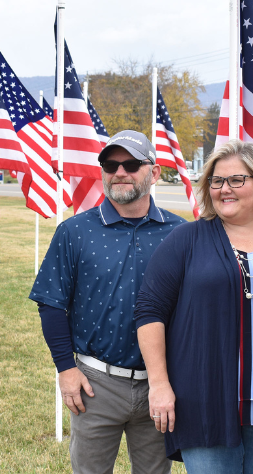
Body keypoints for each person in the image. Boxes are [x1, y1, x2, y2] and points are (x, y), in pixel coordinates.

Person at [134, 140, 253, 474]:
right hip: (203, 405)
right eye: (216, 181)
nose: (224, 189)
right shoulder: (185, 240)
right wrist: (159, 385)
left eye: (236, 180)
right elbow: (150, 311)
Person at [29, 130, 186, 474]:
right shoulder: (74, 231)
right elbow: (51, 303)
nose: (120, 172)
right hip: (95, 384)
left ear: (155, 172)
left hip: (160, 384)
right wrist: (66, 369)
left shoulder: (181, 233)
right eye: (111, 164)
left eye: (131, 164)